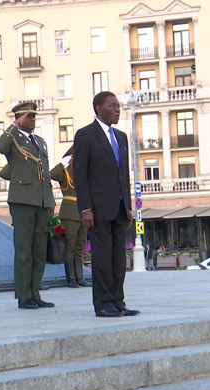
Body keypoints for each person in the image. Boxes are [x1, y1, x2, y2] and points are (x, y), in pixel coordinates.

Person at [73, 91, 139, 318]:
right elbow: (80, 175)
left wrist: (128, 206)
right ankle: (102, 304)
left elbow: (124, 175)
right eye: (112, 106)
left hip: (120, 209)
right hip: (98, 210)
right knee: (102, 258)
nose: (117, 109)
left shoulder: (121, 137)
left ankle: (118, 301)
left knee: (119, 259)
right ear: (99, 109)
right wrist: (85, 208)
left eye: (118, 106)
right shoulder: (86, 135)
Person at [0, 102, 56, 310]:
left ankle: (35, 292)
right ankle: (24, 295)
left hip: (42, 200)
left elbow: (45, 172)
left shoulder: (40, 141)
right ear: (20, 118)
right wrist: (14, 126)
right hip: (22, 200)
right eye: (29, 117)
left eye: (33, 117)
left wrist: (51, 200)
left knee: (39, 251)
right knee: (24, 251)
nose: (33, 120)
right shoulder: (12, 139)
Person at [50, 146, 90, 288]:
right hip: (70, 213)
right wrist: (63, 163)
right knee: (70, 246)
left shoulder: (83, 173)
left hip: (83, 212)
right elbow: (52, 174)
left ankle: (80, 277)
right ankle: (71, 278)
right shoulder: (65, 173)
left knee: (80, 245)